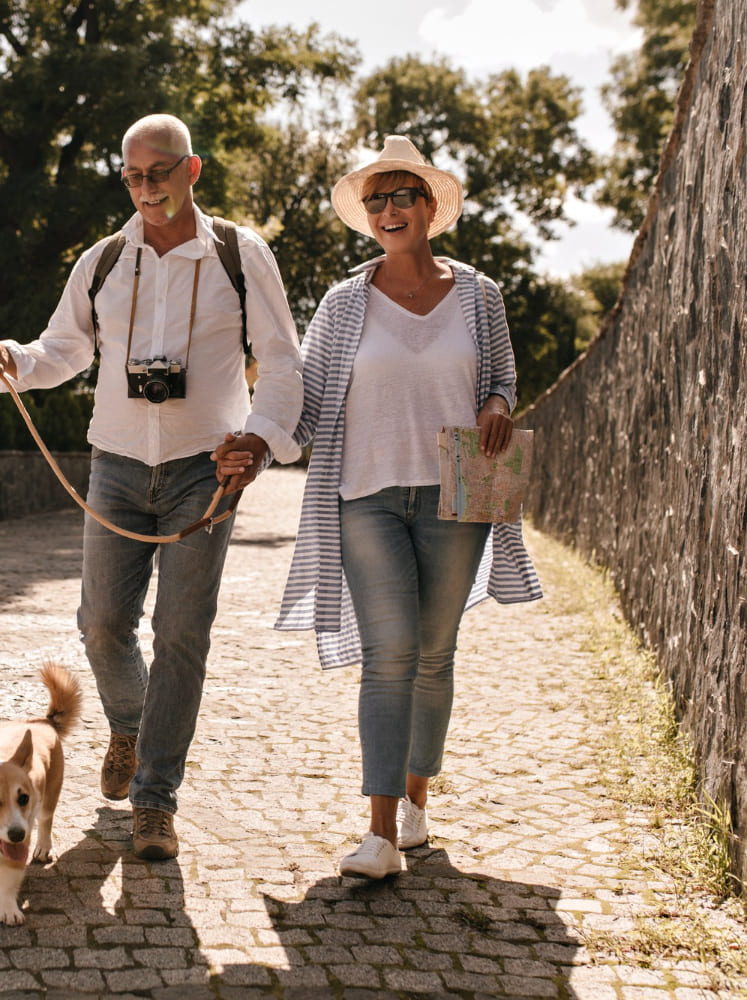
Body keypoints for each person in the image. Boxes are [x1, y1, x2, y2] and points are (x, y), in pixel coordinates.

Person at [0, 113, 304, 861]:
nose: (146, 189)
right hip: (116, 463)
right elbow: (63, 349)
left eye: (159, 173)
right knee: (101, 625)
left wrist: (258, 440)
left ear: (194, 171)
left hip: (204, 467)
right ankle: (132, 723)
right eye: (132, 176)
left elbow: (282, 365)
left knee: (182, 634)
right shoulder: (104, 260)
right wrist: (8, 361)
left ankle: (154, 797)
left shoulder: (241, 257)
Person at [228, 135, 543, 879]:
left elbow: (500, 374)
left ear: (431, 206)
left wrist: (497, 404)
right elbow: (304, 405)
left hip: (455, 495)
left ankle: (414, 805)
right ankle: (377, 836)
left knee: (435, 656)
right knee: (390, 654)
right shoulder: (342, 303)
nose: (389, 208)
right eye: (377, 198)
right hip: (363, 495)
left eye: (404, 195)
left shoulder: (479, 293)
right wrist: (255, 442)